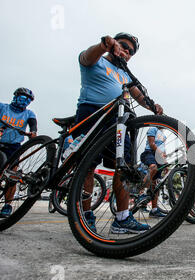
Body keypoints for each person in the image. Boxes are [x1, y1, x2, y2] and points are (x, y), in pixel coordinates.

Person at [74, 32, 163, 234]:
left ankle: (122, 218)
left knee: (123, 167)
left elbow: (139, 96)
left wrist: (152, 106)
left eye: (130, 51)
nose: (126, 52)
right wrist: (105, 44)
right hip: (92, 113)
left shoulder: (125, 74)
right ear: (114, 43)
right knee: (88, 166)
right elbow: (86, 55)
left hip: (118, 121)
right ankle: (85, 215)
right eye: (123, 46)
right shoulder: (95, 61)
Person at [0, 88, 37, 217]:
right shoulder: (3, 107)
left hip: (13, 146)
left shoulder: (29, 114)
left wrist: (33, 133)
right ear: (16, 96)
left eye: (28, 100)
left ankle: (7, 206)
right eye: (22, 98)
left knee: (12, 175)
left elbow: (33, 126)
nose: (25, 101)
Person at [140, 126, 168, 218]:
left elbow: (163, 149)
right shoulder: (153, 129)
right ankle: (142, 193)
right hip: (150, 153)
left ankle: (154, 210)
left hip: (159, 157)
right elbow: (152, 144)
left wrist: (165, 162)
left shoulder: (163, 135)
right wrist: (161, 154)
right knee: (153, 167)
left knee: (155, 184)